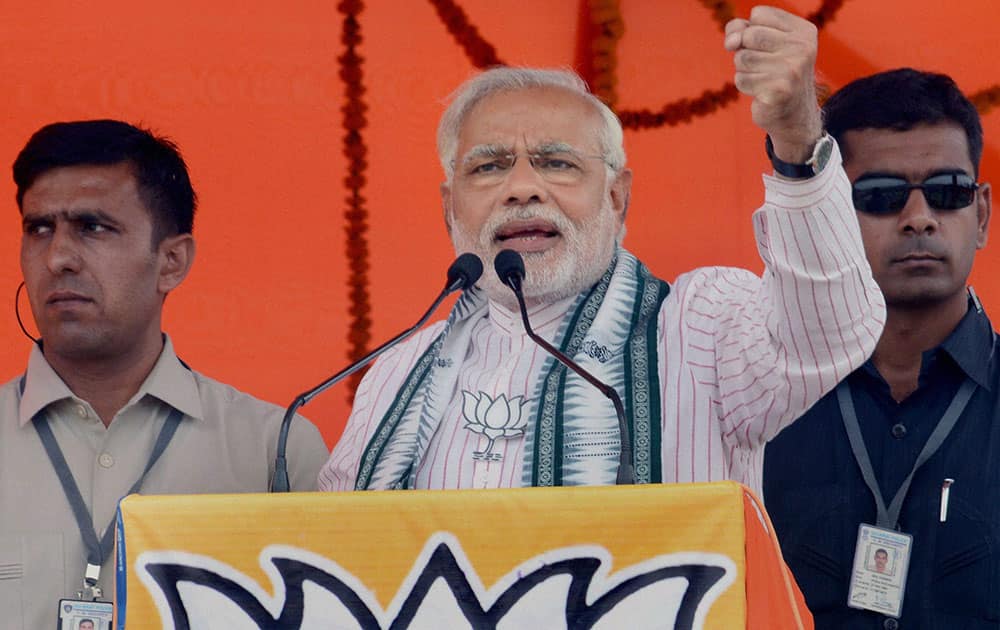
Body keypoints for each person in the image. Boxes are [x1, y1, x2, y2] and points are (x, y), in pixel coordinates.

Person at [318, 6, 884, 493]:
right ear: (449, 208)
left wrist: (797, 141)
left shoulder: (699, 328)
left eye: (556, 162)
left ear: (617, 197)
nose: (522, 188)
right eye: (489, 166)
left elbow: (828, 329)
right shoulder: (396, 373)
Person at [0, 119, 329, 629]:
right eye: (38, 229)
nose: (59, 257)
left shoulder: (273, 453)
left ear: (172, 261)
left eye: (93, 227)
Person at [763, 68, 996, 627]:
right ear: (832, 216)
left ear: (982, 213)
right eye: (881, 197)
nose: (920, 220)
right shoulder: (760, 400)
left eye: (947, 193)